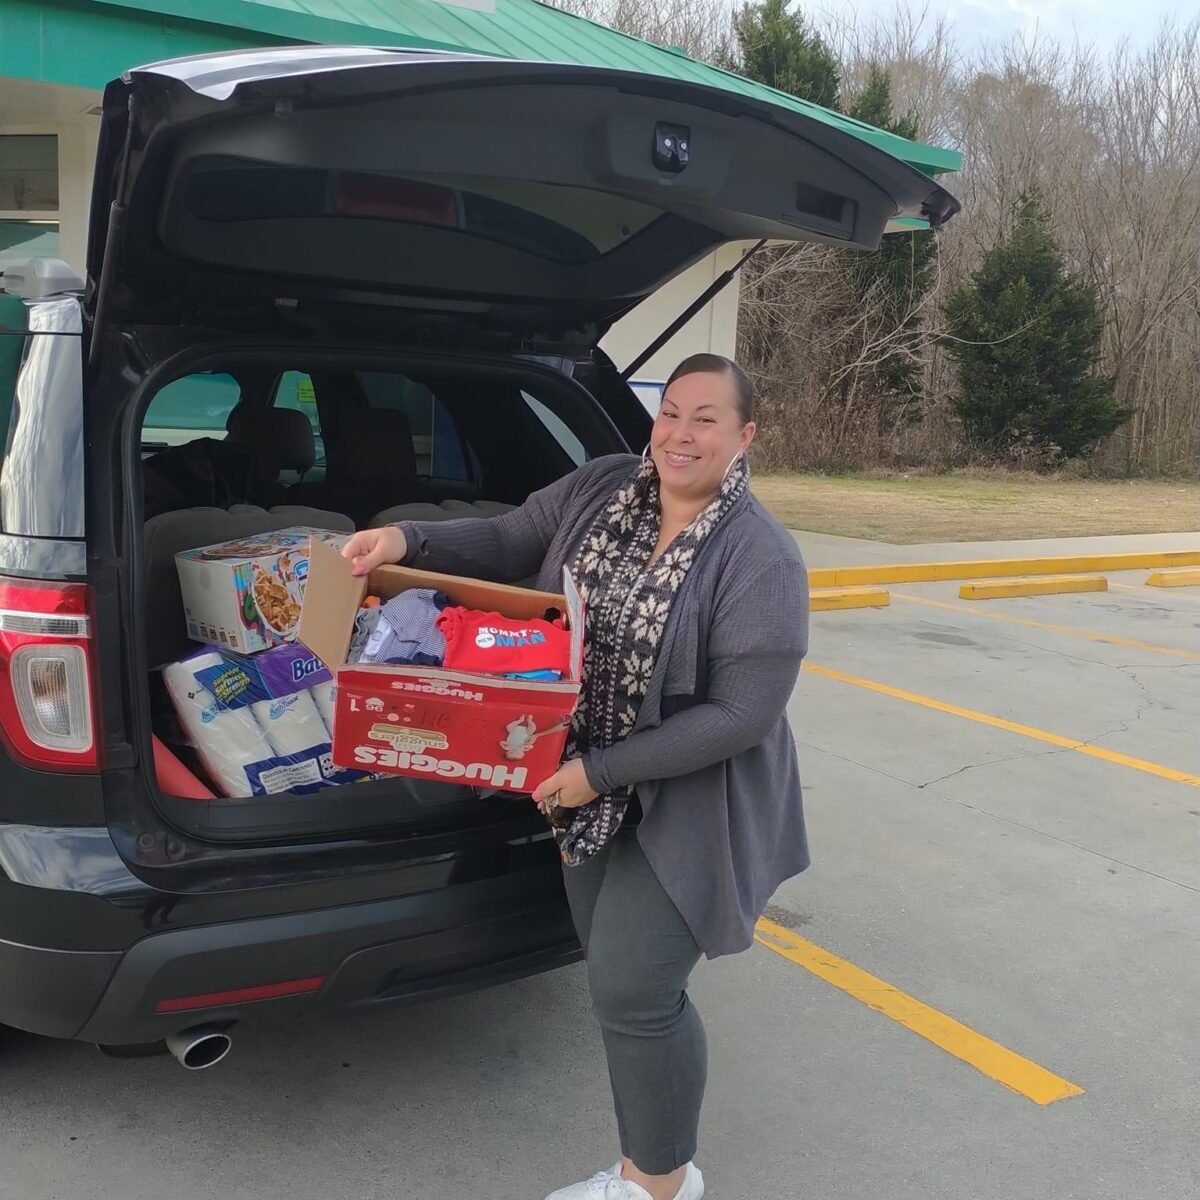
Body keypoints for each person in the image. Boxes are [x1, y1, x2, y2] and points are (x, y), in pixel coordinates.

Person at [341, 354, 810, 1200]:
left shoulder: (760, 558)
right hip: (580, 781)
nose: (680, 433)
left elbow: (741, 716)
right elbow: (510, 536)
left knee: (637, 990)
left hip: (688, 798)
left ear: (745, 437)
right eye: (670, 412)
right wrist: (406, 540)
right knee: (613, 975)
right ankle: (658, 1160)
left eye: (706, 418)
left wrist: (600, 771)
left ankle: (658, 1182)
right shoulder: (602, 487)